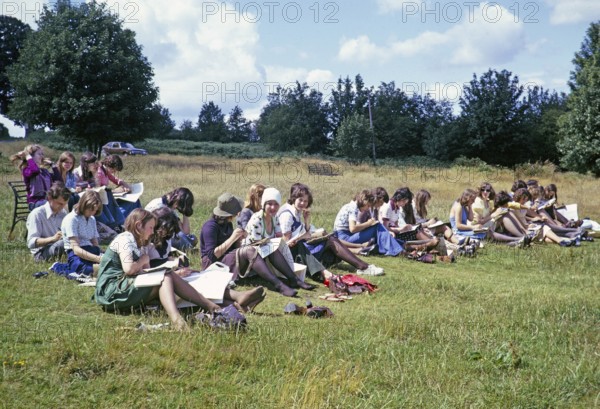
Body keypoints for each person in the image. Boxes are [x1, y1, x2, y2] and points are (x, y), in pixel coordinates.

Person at [95, 209, 221, 331]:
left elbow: (145, 273)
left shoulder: (140, 243)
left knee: (167, 276)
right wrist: (143, 260)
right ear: (139, 226)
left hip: (124, 285)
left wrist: (155, 267)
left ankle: (209, 306)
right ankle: (181, 319)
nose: (152, 232)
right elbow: (129, 269)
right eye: (150, 227)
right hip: (111, 290)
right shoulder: (125, 239)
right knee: (166, 277)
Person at [149, 207, 266, 312]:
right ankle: (238, 299)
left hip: (171, 275)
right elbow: (149, 271)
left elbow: (165, 259)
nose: (167, 234)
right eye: (165, 231)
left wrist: (178, 266)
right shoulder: (148, 243)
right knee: (199, 286)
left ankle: (239, 305)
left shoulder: (165, 239)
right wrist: (176, 273)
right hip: (162, 283)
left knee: (204, 279)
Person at [202, 192, 302, 297]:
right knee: (250, 250)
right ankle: (279, 285)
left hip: (227, 258)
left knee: (267, 246)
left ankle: (293, 278)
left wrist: (240, 240)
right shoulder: (210, 227)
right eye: (235, 213)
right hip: (212, 264)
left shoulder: (227, 224)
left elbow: (234, 249)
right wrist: (232, 238)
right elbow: (212, 255)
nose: (237, 215)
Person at [278, 183, 384, 278]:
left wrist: (306, 221)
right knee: (331, 241)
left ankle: (362, 264)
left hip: (301, 247)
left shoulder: (297, 211)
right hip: (295, 253)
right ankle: (364, 267)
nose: (303, 203)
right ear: (293, 198)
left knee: (331, 245)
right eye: (300, 200)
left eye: (305, 201)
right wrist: (304, 237)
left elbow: (302, 232)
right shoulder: (287, 215)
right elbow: (285, 243)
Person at [243, 187, 316, 292]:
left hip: (266, 253)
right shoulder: (257, 219)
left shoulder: (274, 218)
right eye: (269, 204)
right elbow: (256, 245)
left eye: (276, 204)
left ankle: (293, 279)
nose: (273, 207)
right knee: (272, 248)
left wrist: (287, 243)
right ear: (263, 204)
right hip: (251, 257)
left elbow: (279, 238)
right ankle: (286, 282)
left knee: (277, 246)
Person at [333, 189, 402, 256]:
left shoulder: (351, 206)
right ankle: (397, 249)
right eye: (368, 205)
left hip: (343, 236)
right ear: (364, 201)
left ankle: (397, 247)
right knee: (377, 227)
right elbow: (353, 228)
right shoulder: (353, 208)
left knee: (377, 228)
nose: (367, 208)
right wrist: (368, 223)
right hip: (344, 238)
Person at [59, 190, 104, 279]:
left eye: (95, 210)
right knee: (86, 269)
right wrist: (98, 259)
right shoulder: (71, 219)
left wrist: (101, 254)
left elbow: (94, 242)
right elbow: (76, 249)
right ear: (84, 205)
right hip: (77, 254)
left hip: (91, 250)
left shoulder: (92, 219)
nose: (93, 212)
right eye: (91, 210)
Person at [26, 183, 70, 262]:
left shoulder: (63, 213)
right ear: (50, 198)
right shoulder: (37, 214)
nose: (62, 207)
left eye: (65, 204)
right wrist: (53, 239)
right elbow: (31, 243)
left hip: (57, 246)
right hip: (41, 252)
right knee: (62, 245)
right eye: (60, 203)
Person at [11, 144, 62, 209]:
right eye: (39, 154)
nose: (42, 156)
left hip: (47, 201)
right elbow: (35, 170)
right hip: (35, 202)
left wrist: (53, 165)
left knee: (59, 204)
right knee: (49, 205)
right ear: (31, 157)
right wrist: (27, 156)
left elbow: (59, 181)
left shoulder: (44, 171)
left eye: (42, 154)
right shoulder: (26, 170)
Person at [97, 154, 141, 219]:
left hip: (108, 196)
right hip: (103, 200)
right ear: (109, 166)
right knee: (128, 204)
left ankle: (139, 217)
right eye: (114, 170)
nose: (114, 172)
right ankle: (123, 220)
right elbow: (98, 190)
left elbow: (115, 179)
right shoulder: (99, 172)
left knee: (136, 200)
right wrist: (115, 191)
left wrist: (125, 185)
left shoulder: (105, 171)